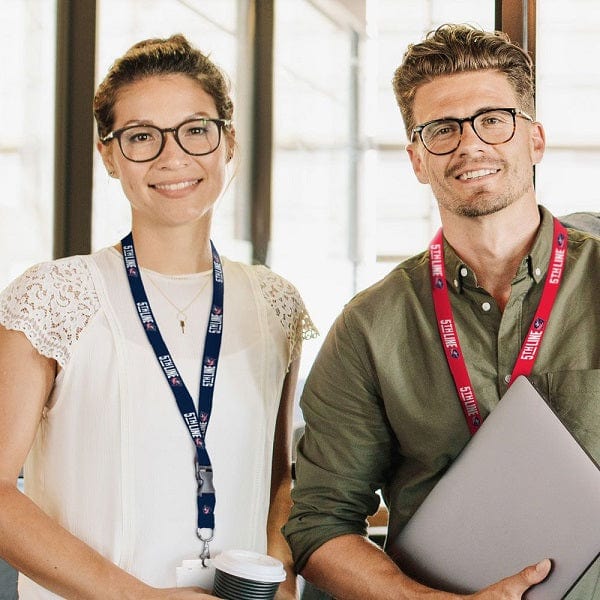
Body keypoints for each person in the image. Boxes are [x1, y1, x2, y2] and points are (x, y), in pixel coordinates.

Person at [284, 23, 600, 600]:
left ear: (534, 139)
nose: (470, 144)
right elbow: (320, 524)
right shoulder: (367, 328)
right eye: (442, 129)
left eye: (493, 119)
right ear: (416, 158)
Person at [0, 34, 316, 599]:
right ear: (109, 154)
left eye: (196, 130)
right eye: (142, 137)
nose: (173, 157)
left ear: (227, 143)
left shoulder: (276, 303)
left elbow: (277, 481)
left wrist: (279, 578)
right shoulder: (55, 294)